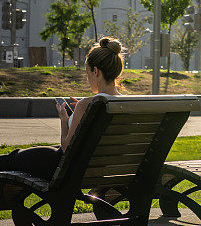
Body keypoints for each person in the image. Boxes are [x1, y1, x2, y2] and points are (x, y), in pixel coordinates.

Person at [0, 37, 124, 183]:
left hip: (67, 168)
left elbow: (66, 148)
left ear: (96, 71)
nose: (87, 78)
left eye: (87, 73)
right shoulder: (126, 103)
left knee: (11, 158)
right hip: (102, 168)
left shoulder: (86, 104)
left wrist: (65, 120)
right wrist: (82, 115)